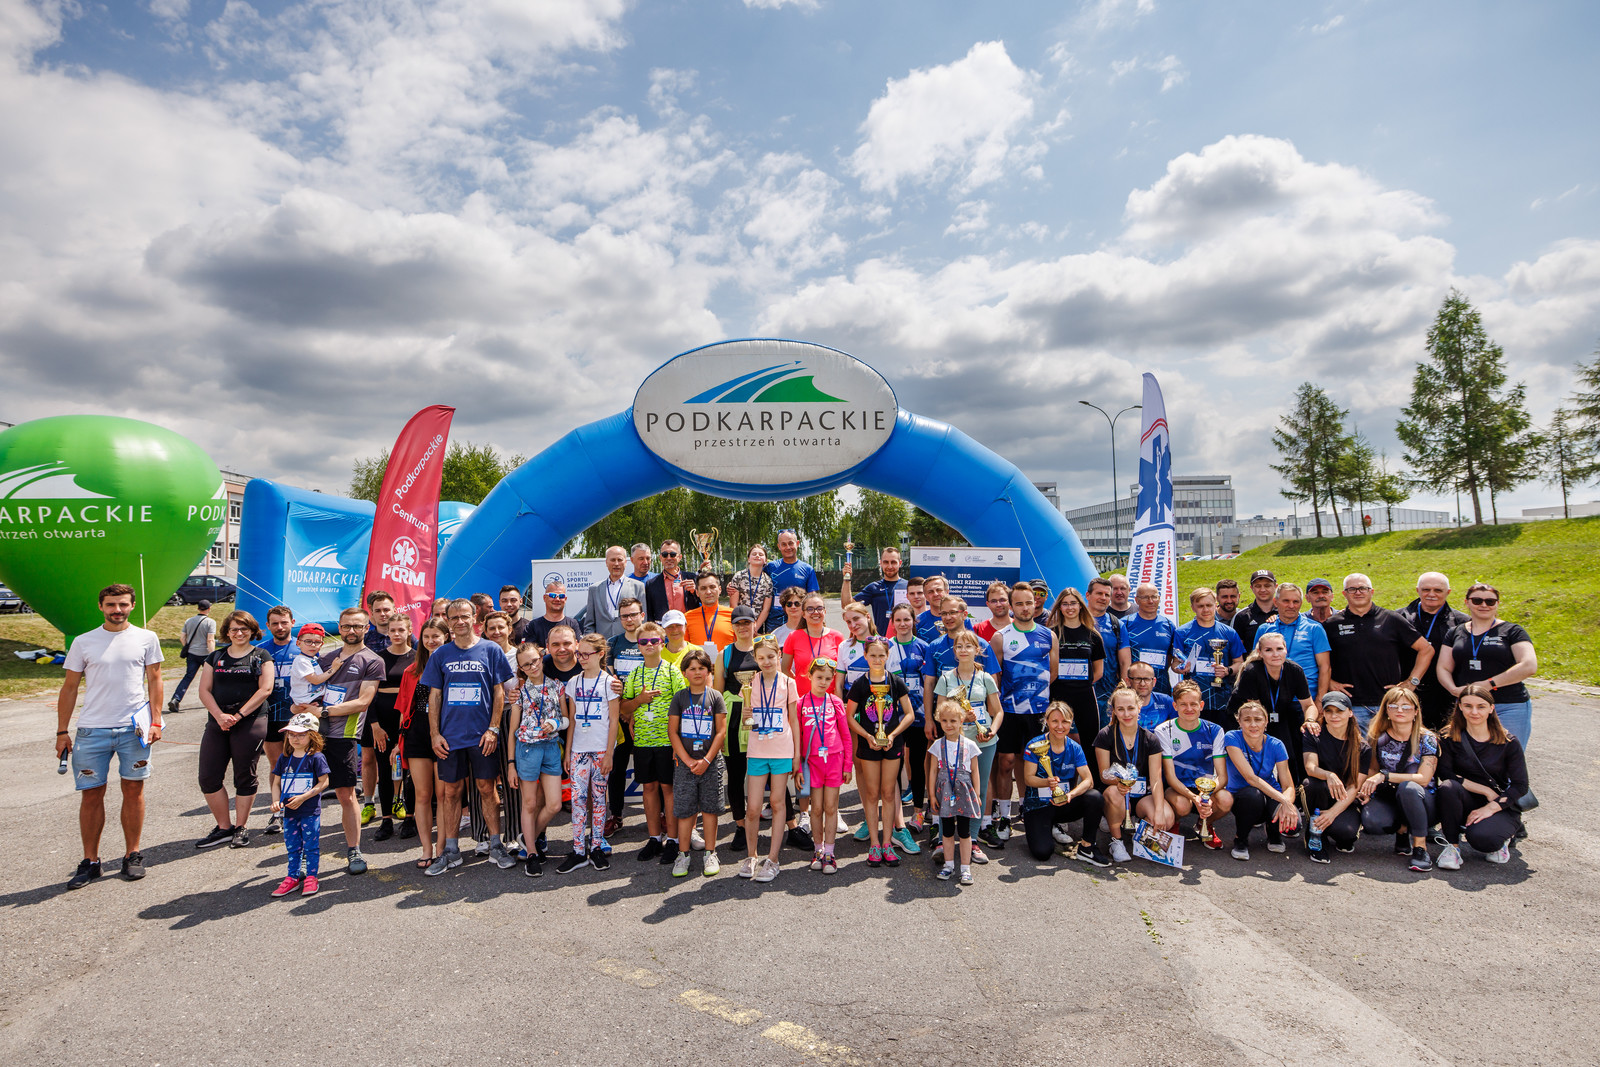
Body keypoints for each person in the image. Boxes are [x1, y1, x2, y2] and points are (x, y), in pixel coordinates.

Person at [58, 584, 165, 889]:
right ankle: (91, 862)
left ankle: (132, 855)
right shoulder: (83, 642)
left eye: (123, 604)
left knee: (134, 791)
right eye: (111, 605)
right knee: (91, 795)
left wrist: (156, 721)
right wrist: (62, 731)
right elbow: (69, 687)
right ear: (100, 606)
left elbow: (155, 679)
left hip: (134, 730)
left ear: (132, 606)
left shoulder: (146, 638)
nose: (117, 610)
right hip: (92, 730)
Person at [422, 599, 516, 875]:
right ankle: (451, 851)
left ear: (475, 618)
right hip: (450, 737)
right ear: (448, 622)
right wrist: (435, 734)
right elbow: (434, 696)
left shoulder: (491, 649)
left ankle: (496, 845)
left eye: (465, 616)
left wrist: (493, 728)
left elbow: (499, 692)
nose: (460, 622)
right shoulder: (440, 654)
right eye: (454, 618)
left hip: (482, 735)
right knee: (451, 792)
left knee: (487, 788)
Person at [309, 608, 384, 875]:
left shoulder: (372, 660)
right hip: (314, 735)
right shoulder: (325, 658)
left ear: (366, 628)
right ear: (339, 628)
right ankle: (305, 852)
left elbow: (363, 701)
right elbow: (309, 690)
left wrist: (323, 712)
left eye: (357, 626)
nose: (351, 631)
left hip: (344, 735)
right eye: (346, 626)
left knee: (346, 794)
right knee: (307, 794)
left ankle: (354, 849)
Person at [194, 610, 275, 850]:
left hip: (250, 721)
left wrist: (239, 715)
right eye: (234, 629)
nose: (239, 633)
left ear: (252, 631)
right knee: (208, 776)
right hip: (218, 721)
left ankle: (241, 827)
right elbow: (204, 690)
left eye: (244, 629)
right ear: (227, 632)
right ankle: (224, 827)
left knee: (244, 775)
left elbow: (265, 689)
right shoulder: (215, 657)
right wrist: (219, 715)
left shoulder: (261, 656)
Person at [990, 583, 1058, 849]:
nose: (1025, 608)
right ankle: (1004, 817)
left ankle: (1032, 812)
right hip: (1009, 710)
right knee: (1006, 762)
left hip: (1038, 712)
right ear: (1011, 606)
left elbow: (1053, 672)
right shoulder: (1001, 637)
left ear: (1035, 603)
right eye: (1019, 603)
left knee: (1036, 764)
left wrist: (1035, 695)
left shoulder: (1048, 635)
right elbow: (995, 676)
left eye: (1029, 602)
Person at [1324, 573, 1434, 733]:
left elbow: (1426, 649)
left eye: (1363, 588)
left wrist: (1412, 682)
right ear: (1344, 594)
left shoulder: (1391, 619)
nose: (1358, 592)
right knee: (1356, 749)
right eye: (1352, 589)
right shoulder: (1331, 624)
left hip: (1388, 704)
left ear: (1372, 591)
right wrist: (1329, 682)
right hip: (1350, 706)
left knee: (1390, 748)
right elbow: (1319, 660)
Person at [1435, 683, 1528, 868]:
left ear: (1491, 708)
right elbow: (1445, 773)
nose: (1474, 712)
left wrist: (1491, 807)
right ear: (1460, 707)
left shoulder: (1508, 742)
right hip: (1465, 799)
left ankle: (1504, 838)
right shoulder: (1448, 737)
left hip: (1499, 804)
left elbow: (1520, 785)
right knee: (1447, 788)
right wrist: (1484, 790)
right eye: (1468, 706)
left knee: (1482, 839)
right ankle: (1452, 847)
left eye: (1481, 706)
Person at [1436, 582, 1538, 746]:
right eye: (1477, 600)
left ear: (1497, 604)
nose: (1484, 605)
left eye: (1490, 601)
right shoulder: (1455, 632)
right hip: (1468, 706)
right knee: (1467, 753)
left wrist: (1488, 684)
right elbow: (1443, 667)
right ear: (1467, 602)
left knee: (1507, 753)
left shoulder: (1512, 631)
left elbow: (1529, 665)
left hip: (1508, 705)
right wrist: (1453, 689)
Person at [931, 629, 1004, 856]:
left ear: (977, 650)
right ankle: (944, 840)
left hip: (982, 742)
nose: (964, 650)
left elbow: (998, 712)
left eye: (968, 646)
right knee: (947, 788)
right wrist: (962, 715)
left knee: (977, 790)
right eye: (959, 646)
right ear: (954, 651)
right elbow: (939, 712)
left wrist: (991, 731)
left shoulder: (985, 678)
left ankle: (971, 839)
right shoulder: (946, 678)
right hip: (954, 744)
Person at [845, 637, 915, 868]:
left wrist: (892, 735)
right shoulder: (860, 684)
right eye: (872, 655)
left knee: (889, 793)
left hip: (892, 744)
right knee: (872, 794)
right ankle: (874, 843)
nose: (877, 659)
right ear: (865, 656)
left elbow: (909, 714)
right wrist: (867, 736)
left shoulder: (895, 682)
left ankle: (887, 843)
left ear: (887, 656)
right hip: (869, 745)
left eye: (881, 655)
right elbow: (849, 716)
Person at [621, 621, 687, 864]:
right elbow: (624, 707)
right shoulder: (635, 674)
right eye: (643, 641)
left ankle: (673, 839)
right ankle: (654, 838)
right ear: (638, 646)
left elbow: (684, 705)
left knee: (668, 789)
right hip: (643, 742)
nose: (649, 645)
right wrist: (639, 700)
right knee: (649, 788)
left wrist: (679, 742)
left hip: (668, 742)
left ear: (662, 643)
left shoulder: (672, 672)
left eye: (654, 640)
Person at [556, 636, 621, 875]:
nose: (581, 659)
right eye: (579, 654)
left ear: (600, 654)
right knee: (577, 800)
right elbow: (572, 720)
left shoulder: (609, 683)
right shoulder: (574, 682)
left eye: (586, 654)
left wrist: (609, 753)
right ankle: (578, 850)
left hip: (601, 749)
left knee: (599, 799)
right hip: (579, 750)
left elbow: (614, 720)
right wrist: (568, 752)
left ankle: (596, 847)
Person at [1357, 685, 1439, 872]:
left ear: (1416, 711)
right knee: (1373, 822)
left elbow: (1423, 779)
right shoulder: (1378, 737)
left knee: (1408, 788)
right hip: (1390, 795)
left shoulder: (1427, 738)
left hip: (1423, 800)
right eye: (1393, 706)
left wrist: (1385, 776)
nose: (1400, 710)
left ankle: (1420, 848)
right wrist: (1367, 789)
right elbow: (1373, 769)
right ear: (1386, 711)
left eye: (1406, 706)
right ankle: (1401, 831)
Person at [739, 636, 801, 882]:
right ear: (755, 659)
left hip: (782, 749)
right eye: (761, 657)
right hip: (757, 750)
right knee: (753, 807)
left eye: (771, 656)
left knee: (777, 803)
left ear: (779, 656)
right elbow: (746, 721)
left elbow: (794, 721)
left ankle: (773, 859)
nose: (766, 661)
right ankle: (752, 855)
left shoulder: (788, 683)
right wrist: (745, 715)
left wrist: (796, 755)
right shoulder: (749, 682)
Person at [1020, 702, 1109, 866]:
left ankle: (1087, 847)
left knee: (1095, 797)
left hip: (1064, 803)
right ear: (1047, 721)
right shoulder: (1035, 745)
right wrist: (1046, 782)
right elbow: (1028, 778)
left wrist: (1070, 795)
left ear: (1071, 723)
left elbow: (1088, 780)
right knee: (1042, 852)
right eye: (1055, 721)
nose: (1060, 726)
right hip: (1038, 806)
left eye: (1065, 722)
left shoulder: (1075, 747)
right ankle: (1045, 828)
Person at [668, 649, 728, 878]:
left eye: (701, 668)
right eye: (692, 668)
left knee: (710, 810)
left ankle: (710, 853)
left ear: (708, 671)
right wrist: (688, 760)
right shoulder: (679, 698)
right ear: (684, 672)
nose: (697, 672)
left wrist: (706, 760)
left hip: (710, 763)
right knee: (685, 811)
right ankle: (683, 854)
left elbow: (720, 731)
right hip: (686, 765)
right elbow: (673, 732)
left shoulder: (715, 697)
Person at [509, 643, 566, 877]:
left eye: (534, 660)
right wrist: (510, 764)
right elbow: (512, 731)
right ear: (520, 668)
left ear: (541, 658)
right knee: (530, 803)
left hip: (551, 748)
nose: (532, 666)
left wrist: (555, 723)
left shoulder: (557, 686)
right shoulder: (519, 692)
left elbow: (566, 719)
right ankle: (532, 853)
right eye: (526, 665)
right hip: (527, 750)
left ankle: (527, 837)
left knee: (554, 804)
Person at [1095, 686, 1171, 862]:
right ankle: (1116, 840)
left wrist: (1159, 811)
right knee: (1114, 794)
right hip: (1118, 791)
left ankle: (1140, 834)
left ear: (1139, 707)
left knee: (1166, 818)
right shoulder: (1105, 735)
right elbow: (1104, 775)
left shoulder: (1151, 739)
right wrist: (1119, 782)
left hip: (1142, 794)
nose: (1126, 714)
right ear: (1114, 711)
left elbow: (1156, 779)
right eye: (1120, 709)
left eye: (1130, 708)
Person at [1156, 681, 1232, 850]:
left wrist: (1205, 796)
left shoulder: (1215, 730)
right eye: (1183, 704)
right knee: (1182, 806)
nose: (1189, 708)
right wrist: (1194, 798)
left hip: (1206, 788)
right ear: (1175, 706)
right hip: (1176, 787)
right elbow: (1170, 777)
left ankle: (1204, 823)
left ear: (1201, 705)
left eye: (1193, 704)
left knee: (1226, 800)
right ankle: (1174, 822)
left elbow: (1222, 776)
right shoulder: (1164, 730)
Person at [397, 619, 448, 866]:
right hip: (417, 733)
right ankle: (426, 848)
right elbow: (404, 709)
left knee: (444, 794)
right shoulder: (411, 671)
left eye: (436, 636)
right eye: (426, 636)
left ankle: (442, 847)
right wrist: (398, 743)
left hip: (445, 733)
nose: (430, 641)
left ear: (446, 637)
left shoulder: (452, 667)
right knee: (423, 794)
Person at [361, 612, 414, 842]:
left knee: (409, 770)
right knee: (384, 769)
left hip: (409, 719)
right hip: (381, 720)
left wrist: (407, 727)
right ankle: (386, 820)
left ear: (409, 631)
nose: (397, 634)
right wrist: (374, 725)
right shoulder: (377, 659)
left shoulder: (417, 658)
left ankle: (409, 817)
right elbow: (368, 696)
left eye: (401, 630)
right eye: (393, 630)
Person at [1224, 700, 1301, 860]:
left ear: (1266, 722)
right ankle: (1241, 839)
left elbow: (1288, 785)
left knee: (1294, 826)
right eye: (1247, 720)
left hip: (1270, 793)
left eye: (1258, 719)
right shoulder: (1232, 738)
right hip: (1242, 796)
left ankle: (1273, 833)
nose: (1253, 724)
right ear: (1239, 721)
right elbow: (1250, 778)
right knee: (1253, 796)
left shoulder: (1276, 744)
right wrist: (1284, 801)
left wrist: (1286, 804)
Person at [798, 658, 852, 874]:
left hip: (834, 761)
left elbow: (846, 736)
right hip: (812, 762)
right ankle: (818, 850)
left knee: (831, 808)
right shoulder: (801, 703)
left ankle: (830, 852)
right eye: (819, 677)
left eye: (828, 679)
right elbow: (798, 737)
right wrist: (798, 767)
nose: (823, 682)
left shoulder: (835, 702)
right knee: (817, 808)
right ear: (809, 676)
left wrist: (847, 765)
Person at [1229, 633, 1315, 769]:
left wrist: (1310, 721)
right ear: (1260, 652)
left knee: (1289, 757)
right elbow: (1256, 712)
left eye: (1279, 649)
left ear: (1286, 650)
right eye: (1268, 650)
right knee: (1260, 757)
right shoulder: (1252, 671)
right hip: (1248, 717)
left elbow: (1309, 705)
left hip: (1277, 715)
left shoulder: (1295, 670)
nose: (1275, 654)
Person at [1300, 691, 1367, 862]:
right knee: (1312, 784)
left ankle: (1331, 826)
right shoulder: (1313, 735)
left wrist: (1331, 814)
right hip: (1320, 792)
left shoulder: (1362, 746)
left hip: (1344, 798)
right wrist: (1329, 775)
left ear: (1350, 713)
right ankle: (1315, 835)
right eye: (1329, 711)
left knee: (1347, 833)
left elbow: (1354, 787)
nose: (1334, 715)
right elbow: (1310, 767)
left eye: (1339, 711)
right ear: (1323, 713)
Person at [716, 607, 762, 852]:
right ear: (732, 626)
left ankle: (790, 824)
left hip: (762, 716)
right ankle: (741, 826)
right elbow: (717, 692)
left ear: (755, 623)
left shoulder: (765, 648)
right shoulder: (725, 654)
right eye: (738, 623)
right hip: (734, 719)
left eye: (747, 622)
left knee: (768, 771)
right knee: (735, 775)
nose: (743, 627)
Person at [269, 712, 330, 897]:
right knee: (292, 846)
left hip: (309, 810)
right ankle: (292, 877)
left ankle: (311, 877)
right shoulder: (284, 758)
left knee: (310, 846)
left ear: (312, 735)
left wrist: (303, 797)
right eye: (291, 734)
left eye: (301, 735)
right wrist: (276, 801)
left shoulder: (316, 757)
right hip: (289, 811)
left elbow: (324, 782)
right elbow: (276, 783)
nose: (295, 738)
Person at [1399, 572, 1469, 732]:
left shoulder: (1462, 622)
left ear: (1448, 592)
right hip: (1407, 692)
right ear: (1417, 590)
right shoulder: (1398, 618)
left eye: (1438, 590)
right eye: (1426, 590)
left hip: (1445, 695)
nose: (1431, 594)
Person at [887, 603, 932, 835]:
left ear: (914, 621)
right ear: (892, 623)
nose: (903, 624)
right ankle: (894, 814)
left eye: (907, 619)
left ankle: (918, 811)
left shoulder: (924, 647)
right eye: (898, 620)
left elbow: (929, 682)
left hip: (919, 713)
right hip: (892, 715)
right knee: (894, 765)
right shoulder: (886, 646)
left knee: (917, 762)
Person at [929, 699, 984, 884]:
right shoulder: (937, 745)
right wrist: (931, 795)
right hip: (944, 792)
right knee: (947, 830)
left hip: (965, 792)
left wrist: (977, 793)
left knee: (964, 831)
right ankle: (949, 865)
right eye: (944, 720)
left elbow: (975, 770)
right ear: (939, 721)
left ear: (961, 721)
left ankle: (965, 868)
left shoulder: (969, 744)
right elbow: (932, 771)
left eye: (953, 721)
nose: (949, 725)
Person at [605, 596, 647, 836]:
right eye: (624, 616)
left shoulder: (651, 640)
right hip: (620, 715)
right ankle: (616, 815)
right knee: (617, 767)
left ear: (642, 615)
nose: (629, 619)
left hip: (647, 716)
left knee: (650, 768)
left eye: (633, 614)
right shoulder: (612, 643)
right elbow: (610, 681)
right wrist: (624, 710)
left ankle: (660, 815)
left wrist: (634, 712)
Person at [256, 605, 300, 834]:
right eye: (275, 623)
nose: (280, 627)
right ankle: (278, 812)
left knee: (301, 764)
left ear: (292, 622)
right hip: (271, 716)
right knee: (277, 765)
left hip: (298, 717)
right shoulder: (260, 651)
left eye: (284, 622)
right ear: (268, 626)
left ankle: (300, 810)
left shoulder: (303, 648)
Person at [1044, 587, 1105, 752]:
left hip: (1085, 695)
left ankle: (1090, 770)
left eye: (1073, 603)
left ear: (1080, 605)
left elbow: (1099, 671)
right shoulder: (1051, 634)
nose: (1069, 607)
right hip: (1057, 694)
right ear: (1059, 607)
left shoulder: (1093, 635)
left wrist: (1080, 684)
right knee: (1054, 739)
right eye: (1065, 604)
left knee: (1090, 742)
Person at [1172, 586, 1245, 722]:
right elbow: (1175, 663)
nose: (1205, 610)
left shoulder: (1229, 632)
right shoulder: (1182, 632)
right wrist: (1180, 668)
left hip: (1221, 697)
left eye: (1209, 605)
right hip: (1192, 700)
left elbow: (1239, 663)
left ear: (1216, 605)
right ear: (1193, 607)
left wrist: (1227, 670)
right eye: (1200, 606)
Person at [1253, 582, 1332, 703]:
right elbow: (1255, 663)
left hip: (1306, 699)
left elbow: (1325, 667)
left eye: (1296, 602)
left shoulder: (1314, 628)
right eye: (1286, 601)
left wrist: (1320, 700)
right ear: (1275, 602)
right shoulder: (1264, 629)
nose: (1291, 606)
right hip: (1271, 699)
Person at [1084, 577, 1131, 719]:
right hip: (1080, 690)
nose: (1103, 598)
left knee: (1107, 732)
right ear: (1088, 595)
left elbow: (1125, 662)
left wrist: (1123, 689)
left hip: (1108, 694)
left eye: (1107, 595)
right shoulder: (1076, 620)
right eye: (1099, 593)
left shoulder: (1117, 625)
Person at [782, 592, 846, 693]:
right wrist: (796, 686)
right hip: (802, 698)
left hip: (829, 698)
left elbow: (842, 673)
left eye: (819, 608)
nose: (815, 612)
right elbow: (785, 669)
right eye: (810, 609)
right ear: (803, 614)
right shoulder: (793, 637)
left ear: (825, 611)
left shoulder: (837, 637)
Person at [840, 545, 908, 635]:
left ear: (900, 563)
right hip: (881, 640)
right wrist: (846, 578)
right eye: (886, 562)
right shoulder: (874, 588)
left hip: (904, 639)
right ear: (881, 563)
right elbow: (847, 605)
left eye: (893, 562)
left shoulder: (908, 587)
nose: (890, 566)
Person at [1123, 583, 1177, 696]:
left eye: (1154, 597)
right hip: (1133, 689)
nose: (1151, 601)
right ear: (1136, 600)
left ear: (1159, 598)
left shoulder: (1168, 625)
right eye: (1145, 597)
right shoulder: (1125, 624)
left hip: (1161, 688)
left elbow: (1170, 656)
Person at [584, 546, 647, 641]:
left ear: (625, 562)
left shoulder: (638, 587)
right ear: (606, 562)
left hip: (628, 642)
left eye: (620, 560)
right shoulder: (594, 589)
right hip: (602, 644)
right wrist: (591, 643)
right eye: (613, 560)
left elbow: (643, 620)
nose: (616, 564)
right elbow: (589, 623)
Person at [765, 529, 820, 632]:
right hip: (774, 624)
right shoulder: (770, 567)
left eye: (791, 543)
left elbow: (812, 599)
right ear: (779, 546)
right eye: (784, 544)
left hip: (800, 624)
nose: (788, 547)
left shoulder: (807, 569)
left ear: (797, 543)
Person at [169, 598, 216, 712]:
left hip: (192, 653)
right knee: (213, 677)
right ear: (209, 609)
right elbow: (210, 640)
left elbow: (182, 637)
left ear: (198, 608)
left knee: (188, 677)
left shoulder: (189, 621)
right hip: (205, 654)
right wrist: (213, 655)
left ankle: (176, 699)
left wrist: (188, 647)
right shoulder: (210, 622)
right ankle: (217, 700)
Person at [644, 539, 701, 621]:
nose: (669, 558)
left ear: (680, 557)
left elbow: (705, 602)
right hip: (663, 627)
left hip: (689, 625)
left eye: (673, 554)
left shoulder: (693, 578)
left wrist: (695, 592)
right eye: (665, 555)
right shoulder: (651, 584)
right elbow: (650, 613)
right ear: (660, 558)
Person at [685, 571, 737, 655]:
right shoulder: (688, 617)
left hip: (726, 663)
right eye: (703, 588)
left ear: (720, 589)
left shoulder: (733, 615)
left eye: (712, 587)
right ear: (697, 592)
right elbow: (684, 649)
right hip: (698, 663)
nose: (708, 592)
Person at [727, 543, 775, 632]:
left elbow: (766, 609)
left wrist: (755, 628)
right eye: (754, 554)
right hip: (739, 624)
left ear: (765, 560)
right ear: (749, 559)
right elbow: (733, 605)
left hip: (757, 626)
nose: (757, 556)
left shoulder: (768, 581)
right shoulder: (739, 576)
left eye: (761, 554)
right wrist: (742, 624)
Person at [1232, 569, 1278, 651]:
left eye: (1267, 585)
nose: (1263, 590)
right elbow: (1237, 651)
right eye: (1258, 586)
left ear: (1275, 587)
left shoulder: (1284, 613)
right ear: (1252, 588)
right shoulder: (1242, 616)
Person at [526, 578, 578, 647]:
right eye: (552, 595)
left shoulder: (573, 624)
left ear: (565, 599)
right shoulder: (532, 626)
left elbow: (578, 647)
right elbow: (528, 650)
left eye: (561, 596)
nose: (557, 599)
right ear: (545, 598)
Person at [838, 601, 877, 688]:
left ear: (868, 617)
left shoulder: (885, 644)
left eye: (856, 619)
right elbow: (839, 685)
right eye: (848, 622)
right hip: (850, 696)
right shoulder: (844, 646)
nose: (853, 625)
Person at [1125, 662, 1174, 731]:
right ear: (1128, 681)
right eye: (1137, 679)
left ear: (1154, 682)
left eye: (1147, 679)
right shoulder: (1120, 703)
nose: (1142, 684)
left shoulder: (1166, 701)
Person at [916, 575, 949, 642]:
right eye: (930, 592)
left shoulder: (961, 619)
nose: (935, 594)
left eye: (939, 590)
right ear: (925, 596)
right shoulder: (917, 621)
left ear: (947, 592)